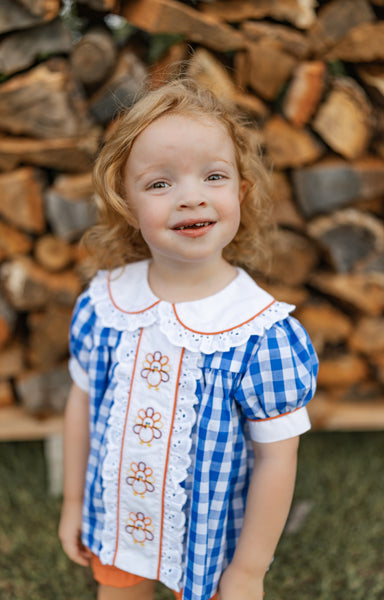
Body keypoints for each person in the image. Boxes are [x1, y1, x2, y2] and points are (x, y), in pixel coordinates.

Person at [58, 78, 318, 600]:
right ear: (126, 202)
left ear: (240, 190)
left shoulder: (259, 333)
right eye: (159, 184)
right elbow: (81, 405)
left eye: (214, 176)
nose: (191, 197)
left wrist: (249, 571)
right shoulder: (106, 306)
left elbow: (276, 458)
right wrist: (72, 505)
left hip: (208, 540)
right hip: (117, 518)